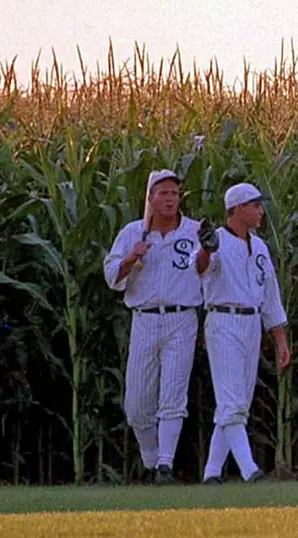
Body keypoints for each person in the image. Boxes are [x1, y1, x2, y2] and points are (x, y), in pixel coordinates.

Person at [103, 169, 202, 485]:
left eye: (175, 193)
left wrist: (210, 249)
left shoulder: (194, 231)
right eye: (164, 193)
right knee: (136, 404)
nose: (171, 199)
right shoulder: (132, 233)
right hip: (144, 319)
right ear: (150, 198)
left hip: (181, 318)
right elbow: (112, 277)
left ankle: (164, 466)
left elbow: (209, 270)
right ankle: (150, 458)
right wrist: (132, 258)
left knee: (173, 394)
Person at [191, 182, 291, 484]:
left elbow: (270, 295)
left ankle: (211, 472)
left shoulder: (259, 246)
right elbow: (200, 268)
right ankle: (250, 470)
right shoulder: (217, 241)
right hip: (224, 320)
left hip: (252, 323)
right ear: (237, 209)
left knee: (237, 403)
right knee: (232, 400)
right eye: (254, 205)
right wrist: (206, 251)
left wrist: (280, 339)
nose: (260, 211)